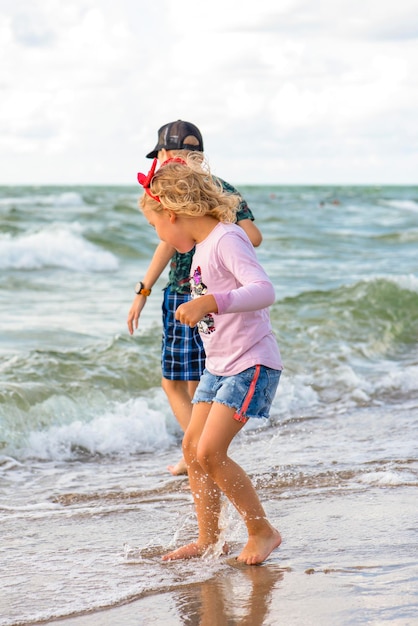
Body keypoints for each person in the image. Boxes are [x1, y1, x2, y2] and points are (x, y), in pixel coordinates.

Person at [136, 153, 283, 566]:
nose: (159, 235)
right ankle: (208, 538)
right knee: (191, 445)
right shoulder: (202, 249)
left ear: (173, 213)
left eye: (155, 225)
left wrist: (211, 302)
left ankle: (262, 531)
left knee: (209, 452)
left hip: (251, 363)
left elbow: (263, 289)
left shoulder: (227, 238)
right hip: (219, 366)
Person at [127, 120, 262, 476]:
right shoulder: (218, 187)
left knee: (178, 381)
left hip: (191, 294)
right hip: (207, 294)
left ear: (165, 153)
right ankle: (199, 452)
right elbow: (252, 235)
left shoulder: (184, 192)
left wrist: (216, 242)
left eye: (159, 154)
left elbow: (248, 237)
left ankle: (198, 454)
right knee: (197, 379)